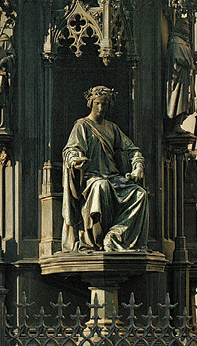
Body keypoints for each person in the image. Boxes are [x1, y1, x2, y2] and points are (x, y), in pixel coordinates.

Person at [62, 86, 149, 252]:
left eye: (105, 104)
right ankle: (95, 241)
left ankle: (115, 236)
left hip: (113, 177)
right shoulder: (82, 125)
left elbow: (132, 150)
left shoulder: (112, 128)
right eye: (97, 104)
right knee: (101, 186)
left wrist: (138, 167)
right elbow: (71, 149)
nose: (101, 108)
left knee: (140, 194)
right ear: (90, 103)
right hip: (91, 178)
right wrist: (75, 160)